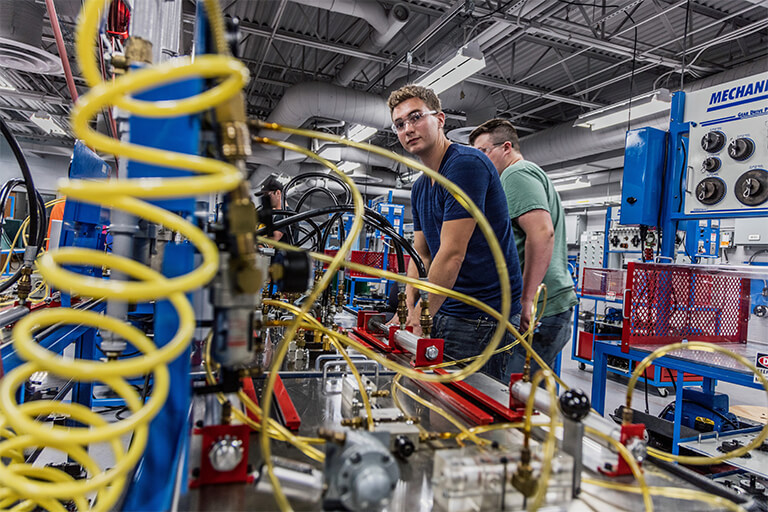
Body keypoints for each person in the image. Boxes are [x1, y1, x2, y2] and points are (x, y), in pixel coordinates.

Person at [387, 85, 523, 381]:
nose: (408, 129)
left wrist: (421, 317)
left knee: (469, 406)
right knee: (437, 393)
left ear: (440, 119)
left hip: (483, 314)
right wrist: (407, 306)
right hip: (447, 304)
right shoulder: (421, 186)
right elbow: (421, 252)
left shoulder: (466, 165)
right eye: (400, 124)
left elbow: (451, 254)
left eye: (416, 117)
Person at [470, 119, 577, 378]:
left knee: (510, 393)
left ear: (506, 147)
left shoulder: (515, 174)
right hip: (549, 306)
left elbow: (542, 233)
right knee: (529, 398)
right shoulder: (526, 173)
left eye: (483, 152)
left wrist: (527, 299)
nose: (480, 161)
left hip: (541, 309)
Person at [255, 175, 292, 243]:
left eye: (267, 195)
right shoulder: (276, 215)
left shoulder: (285, 215)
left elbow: (271, 243)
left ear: (278, 193)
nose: (265, 199)